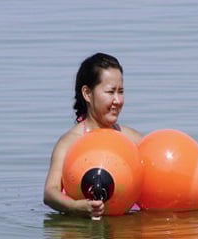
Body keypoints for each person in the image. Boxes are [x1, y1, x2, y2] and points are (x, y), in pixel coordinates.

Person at [44, 53, 143, 217]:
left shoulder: (133, 140)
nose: (117, 100)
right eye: (110, 92)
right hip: (81, 232)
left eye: (121, 91)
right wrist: (75, 206)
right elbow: (50, 193)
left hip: (125, 231)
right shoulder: (69, 143)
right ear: (87, 93)